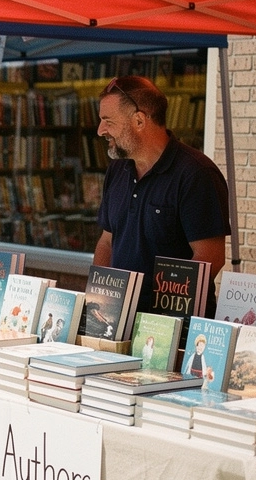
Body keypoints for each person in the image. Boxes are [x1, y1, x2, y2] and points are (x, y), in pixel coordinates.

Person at [94, 75, 230, 318]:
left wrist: (161, 320)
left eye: (108, 121)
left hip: (173, 328)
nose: (100, 130)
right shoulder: (117, 169)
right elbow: (107, 241)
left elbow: (210, 258)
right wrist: (100, 300)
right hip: (116, 319)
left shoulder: (196, 174)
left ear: (139, 120)